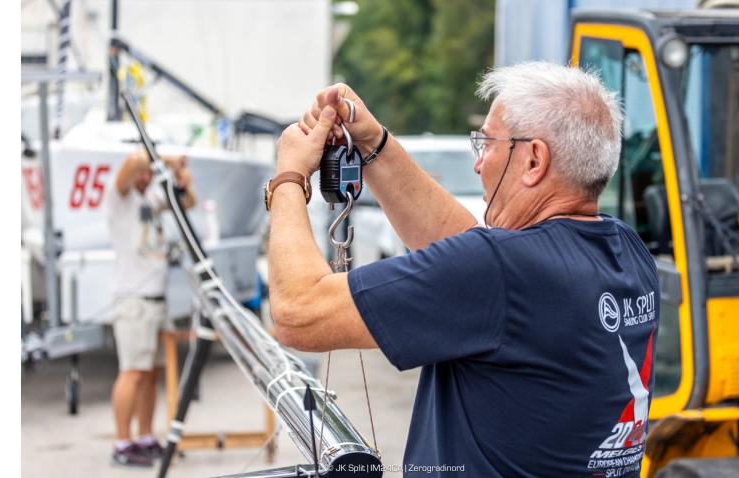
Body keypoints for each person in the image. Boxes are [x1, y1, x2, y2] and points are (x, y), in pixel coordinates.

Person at [267, 61, 659, 477]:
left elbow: (299, 312)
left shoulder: (503, 270)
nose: (478, 163)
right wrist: (373, 144)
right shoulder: (627, 250)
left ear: (533, 161)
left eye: (486, 144)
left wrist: (289, 176)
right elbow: (463, 248)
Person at [107, 148, 195, 467]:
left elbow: (188, 203)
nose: (144, 176)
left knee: (151, 372)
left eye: (149, 173)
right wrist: (168, 160)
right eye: (142, 173)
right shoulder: (120, 198)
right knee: (132, 372)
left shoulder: (154, 197)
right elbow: (132, 161)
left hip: (159, 300)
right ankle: (121, 443)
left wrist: (182, 180)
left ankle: (144, 437)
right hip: (133, 301)